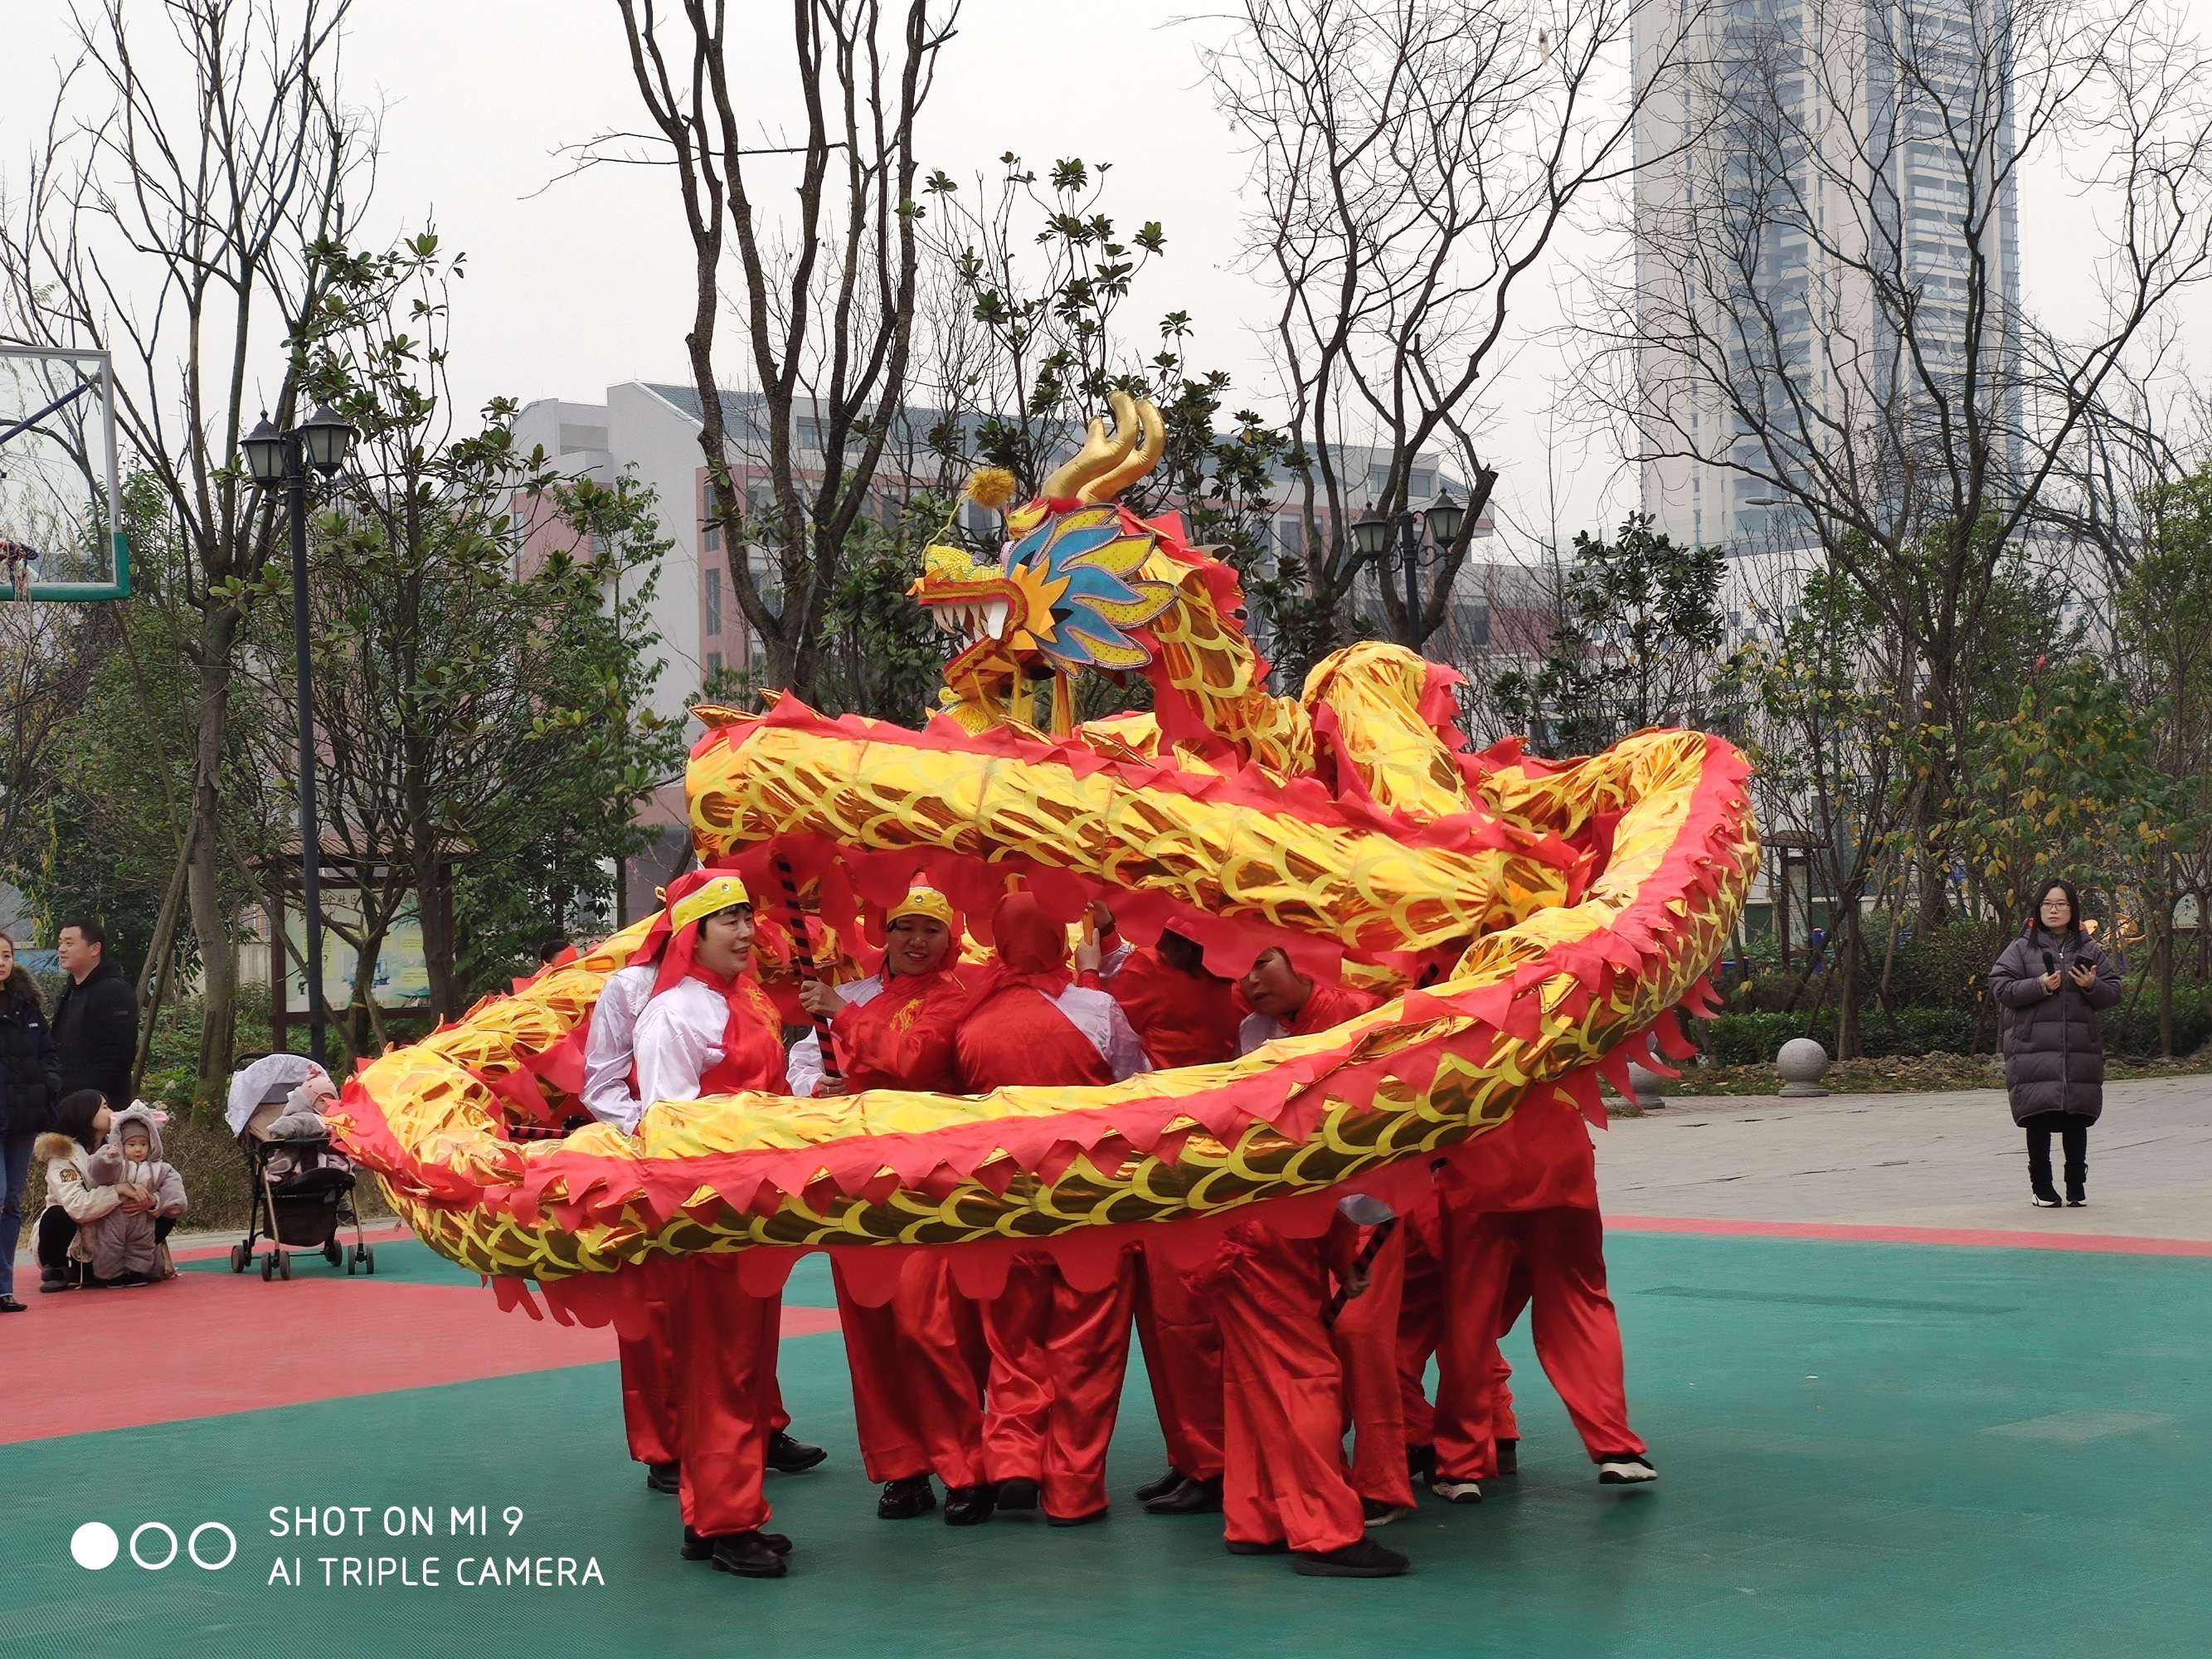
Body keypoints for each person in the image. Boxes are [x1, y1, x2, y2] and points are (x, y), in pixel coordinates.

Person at [791, 885, 996, 1527]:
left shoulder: (962, 999)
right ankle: (902, 1469)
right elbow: (801, 1067)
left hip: (929, 1187)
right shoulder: (850, 998)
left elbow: (916, 1060)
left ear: (951, 936)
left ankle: (964, 1463)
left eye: (929, 930)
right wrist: (820, 1088)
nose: (915, 941)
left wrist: (840, 1016)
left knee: (930, 1328)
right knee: (871, 1332)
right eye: (903, 927)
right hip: (857, 1184)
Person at [629, 871, 809, 1580]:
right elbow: (670, 1126)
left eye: (746, 918)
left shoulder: (750, 1003)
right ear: (691, 935)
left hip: (751, 1214)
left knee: (743, 1372)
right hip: (706, 1218)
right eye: (726, 920)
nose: (744, 932)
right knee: (718, 1377)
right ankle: (729, 1523)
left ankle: (714, 1515)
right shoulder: (673, 1016)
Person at [955, 892, 1150, 1526]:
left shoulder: (970, 1017)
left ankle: (1011, 1460)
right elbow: (1135, 1086)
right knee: (1086, 1345)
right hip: (1088, 1195)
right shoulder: (1096, 1007)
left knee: (1011, 1341)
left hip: (1002, 1199)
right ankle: (1073, 1487)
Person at [1078, 916, 1241, 1515]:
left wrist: (1091, 963)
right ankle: (1194, 1456)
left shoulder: (1152, 976)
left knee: (1178, 1324)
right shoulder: (1231, 982)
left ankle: (1208, 1460)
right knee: (1186, 1324)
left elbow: (1095, 1024)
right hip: (1210, 1151)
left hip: (1163, 1154)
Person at [1422, 1095, 1655, 1503]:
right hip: (1559, 1154)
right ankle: (1616, 1447)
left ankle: (1461, 1466)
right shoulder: (1563, 1026)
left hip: (1477, 1158)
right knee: (1580, 1302)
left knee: (1469, 1314)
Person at [1203, 1199, 1410, 1578]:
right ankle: (1326, 1531)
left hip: (1239, 1227)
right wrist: (1343, 1256)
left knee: (1255, 1381)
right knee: (1305, 1379)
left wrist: (1340, 1257)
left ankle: (1260, 1515)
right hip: (1270, 1231)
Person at [1989, 878, 2122, 1207]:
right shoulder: (2021, 948)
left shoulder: (2089, 950)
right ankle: (2042, 1187)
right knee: (2039, 1117)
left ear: (2072, 909)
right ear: (2038, 909)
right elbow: (2000, 987)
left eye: (2061, 904)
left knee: (2076, 1117)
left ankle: (2077, 1185)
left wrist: (2092, 985)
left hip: (2078, 1048)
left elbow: (2113, 993)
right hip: (2032, 1048)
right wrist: (2039, 986)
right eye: (2048, 903)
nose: (2054, 909)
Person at [0, 929, 61, 1313]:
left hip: (23, 1118)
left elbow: (49, 1053)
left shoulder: (27, 1006)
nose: (1, 962)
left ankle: (3, 1286)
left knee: (12, 1202)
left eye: (5, 955)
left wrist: (48, 1086)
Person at [83, 1103, 187, 1286]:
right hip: (113, 1216)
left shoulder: (158, 1168)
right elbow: (97, 1172)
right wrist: (108, 1159)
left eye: (143, 1144)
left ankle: (137, 1272)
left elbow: (171, 1182)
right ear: (122, 1144)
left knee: (142, 1244)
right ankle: (111, 1275)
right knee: (110, 1245)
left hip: (142, 1218)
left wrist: (172, 1202)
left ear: (152, 1144)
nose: (138, 1149)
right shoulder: (118, 1164)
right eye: (131, 1144)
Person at [32, 1091, 118, 1291]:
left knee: (161, 1203)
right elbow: (77, 1206)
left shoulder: (120, 1146)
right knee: (57, 1214)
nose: (111, 1112)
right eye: (104, 1107)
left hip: (109, 1236)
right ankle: (56, 1267)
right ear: (85, 1113)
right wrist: (118, 1193)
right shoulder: (62, 1157)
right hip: (73, 1239)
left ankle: (135, 1262)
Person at [52, 920, 139, 1114]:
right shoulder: (70, 991)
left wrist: (87, 1100)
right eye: (60, 943)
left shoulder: (114, 991)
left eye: (69, 943)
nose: (62, 950)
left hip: (99, 1108)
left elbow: (118, 1056)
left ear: (95, 949)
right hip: (67, 1104)